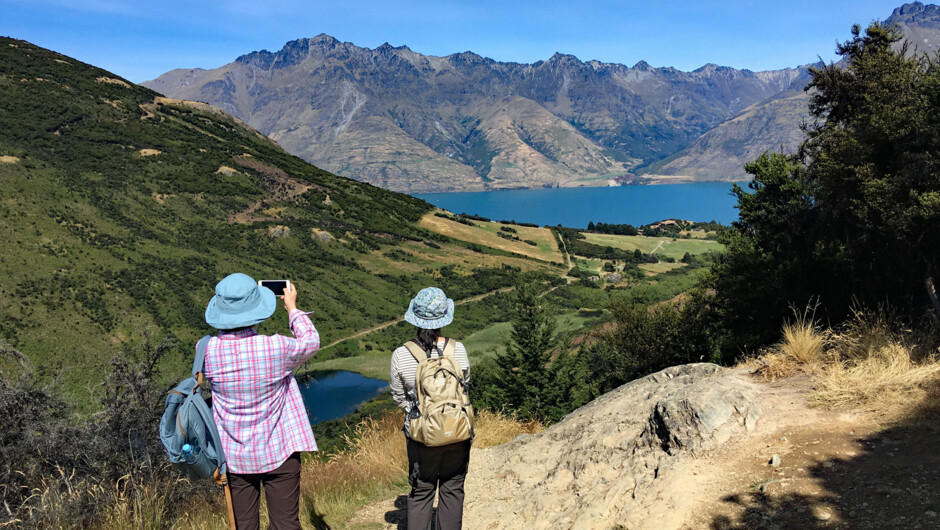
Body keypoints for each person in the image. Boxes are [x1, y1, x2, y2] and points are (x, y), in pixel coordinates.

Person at [202, 273, 320, 530]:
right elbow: (311, 342)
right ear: (257, 309)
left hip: (234, 457)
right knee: (286, 523)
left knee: (244, 525)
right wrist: (292, 309)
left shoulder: (206, 351)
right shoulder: (276, 347)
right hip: (281, 450)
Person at [390, 287, 472, 530]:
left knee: (421, 492)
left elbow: (398, 396)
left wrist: (416, 412)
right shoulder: (458, 350)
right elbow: (464, 386)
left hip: (421, 436)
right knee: (453, 488)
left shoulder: (401, 354)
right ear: (443, 319)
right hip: (457, 431)